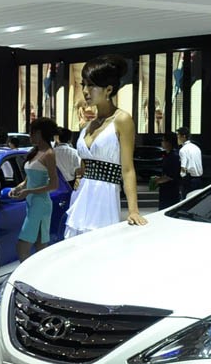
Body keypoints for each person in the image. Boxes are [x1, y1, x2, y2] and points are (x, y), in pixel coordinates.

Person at [65, 55, 147, 238]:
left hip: (104, 197)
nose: (85, 91)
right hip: (81, 195)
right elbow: (85, 163)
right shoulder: (88, 125)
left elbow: (127, 169)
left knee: (100, 244)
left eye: (91, 85)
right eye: (83, 84)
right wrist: (79, 175)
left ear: (108, 89)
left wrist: (133, 210)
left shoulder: (122, 120)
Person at [11, 118, 59, 261]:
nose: (30, 136)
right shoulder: (36, 151)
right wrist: (18, 187)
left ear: (38, 133)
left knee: (22, 246)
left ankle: (26, 273)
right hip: (32, 203)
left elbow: (54, 185)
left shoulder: (49, 154)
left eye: (31, 132)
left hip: (40, 204)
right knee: (40, 246)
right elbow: (28, 180)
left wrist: (29, 191)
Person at [150, 132, 181, 209]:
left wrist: (158, 181)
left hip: (171, 190)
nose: (162, 142)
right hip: (165, 189)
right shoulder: (167, 155)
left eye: (163, 140)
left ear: (169, 142)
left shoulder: (174, 156)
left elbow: (171, 176)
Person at [176, 126, 202, 198]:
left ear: (183, 136)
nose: (177, 139)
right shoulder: (196, 148)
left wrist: (182, 178)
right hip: (199, 179)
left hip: (188, 180)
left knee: (187, 201)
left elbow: (183, 167)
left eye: (178, 136)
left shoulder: (183, 150)